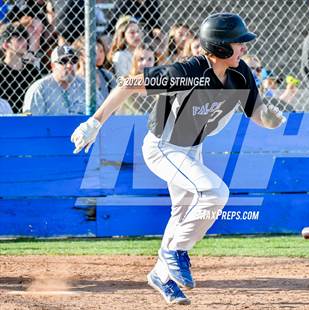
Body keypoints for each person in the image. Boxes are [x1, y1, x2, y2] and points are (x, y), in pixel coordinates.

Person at [70, 13, 285, 305]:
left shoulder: (240, 74)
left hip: (190, 149)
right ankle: (175, 251)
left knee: (183, 212)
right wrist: (94, 123)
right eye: (238, 44)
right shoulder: (189, 71)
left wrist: (270, 119)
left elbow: (257, 111)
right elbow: (128, 84)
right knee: (215, 192)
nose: (243, 48)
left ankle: (161, 275)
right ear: (220, 47)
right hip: (163, 147)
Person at [23, 45, 103, 114]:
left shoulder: (87, 87)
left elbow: (102, 113)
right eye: (63, 61)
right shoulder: (39, 89)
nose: (69, 65)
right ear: (53, 66)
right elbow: (32, 123)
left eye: (73, 61)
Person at [0, 24, 41, 113]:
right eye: (19, 39)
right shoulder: (1, 71)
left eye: (25, 38)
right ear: (6, 45)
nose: (25, 42)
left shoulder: (32, 72)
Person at [115, 43, 155, 115]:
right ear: (135, 60)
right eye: (141, 59)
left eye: (150, 59)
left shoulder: (157, 84)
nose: (145, 63)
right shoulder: (126, 81)